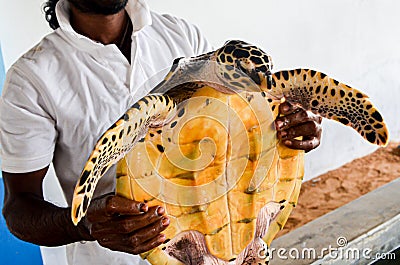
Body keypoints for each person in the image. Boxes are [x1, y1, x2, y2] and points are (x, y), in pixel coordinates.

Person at [0, 0, 322, 264]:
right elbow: (19, 208)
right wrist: (87, 226)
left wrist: (288, 127)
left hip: (224, 246)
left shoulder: (181, 36)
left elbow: (231, 128)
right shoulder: (31, 79)